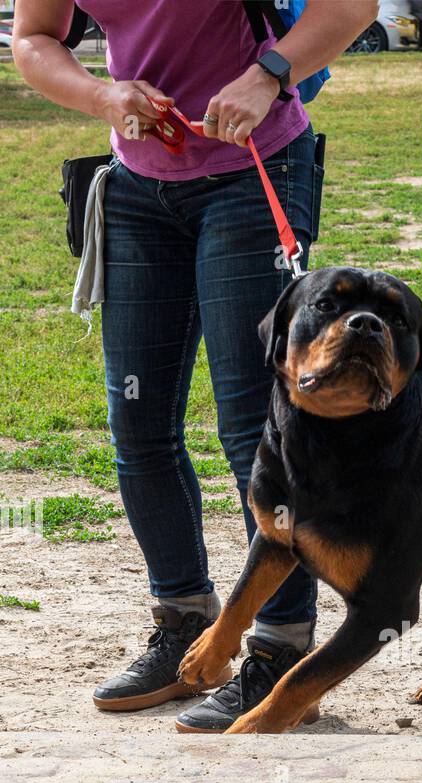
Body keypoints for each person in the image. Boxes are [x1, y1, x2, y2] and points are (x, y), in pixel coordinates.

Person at [13, 0, 377, 730]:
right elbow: (32, 38)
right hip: (138, 190)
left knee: (254, 429)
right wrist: (103, 97)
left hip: (255, 171)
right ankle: (184, 624)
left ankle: (280, 650)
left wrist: (268, 76)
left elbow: (351, 6)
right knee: (139, 426)